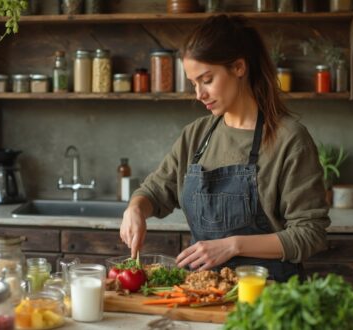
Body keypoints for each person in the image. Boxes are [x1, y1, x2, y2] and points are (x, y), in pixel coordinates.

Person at [120, 14, 330, 282]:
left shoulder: (289, 139)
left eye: (207, 80)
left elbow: (310, 233)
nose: (199, 94)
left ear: (239, 67)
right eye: (194, 83)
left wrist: (233, 245)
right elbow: (154, 191)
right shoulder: (195, 135)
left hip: (267, 296)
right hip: (201, 294)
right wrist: (136, 209)